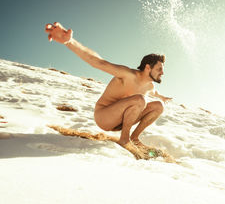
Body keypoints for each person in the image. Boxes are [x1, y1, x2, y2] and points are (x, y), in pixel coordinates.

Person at [45, 22, 172, 150]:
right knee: (140, 99)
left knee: (158, 106)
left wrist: (163, 97)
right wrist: (70, 42)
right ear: (148, 67)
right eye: (159, 69)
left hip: (122, 120)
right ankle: (124, 140)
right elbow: (98, 62)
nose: (163, 73)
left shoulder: (149, 86)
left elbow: (154, 93)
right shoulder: (127, 74)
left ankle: (134, 138)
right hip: (104, 117)